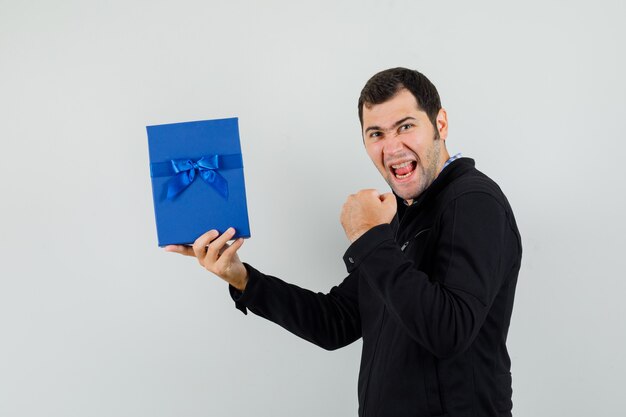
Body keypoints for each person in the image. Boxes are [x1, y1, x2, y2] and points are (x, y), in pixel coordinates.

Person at [165, 67, 522, 417]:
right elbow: (336, 321)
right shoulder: (398, 217)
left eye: (406, 126)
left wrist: (368, 236)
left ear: (439, 124)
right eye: (376, 134)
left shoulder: (473, 202)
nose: (392, 146)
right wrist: (242, 278)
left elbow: (449, 331)